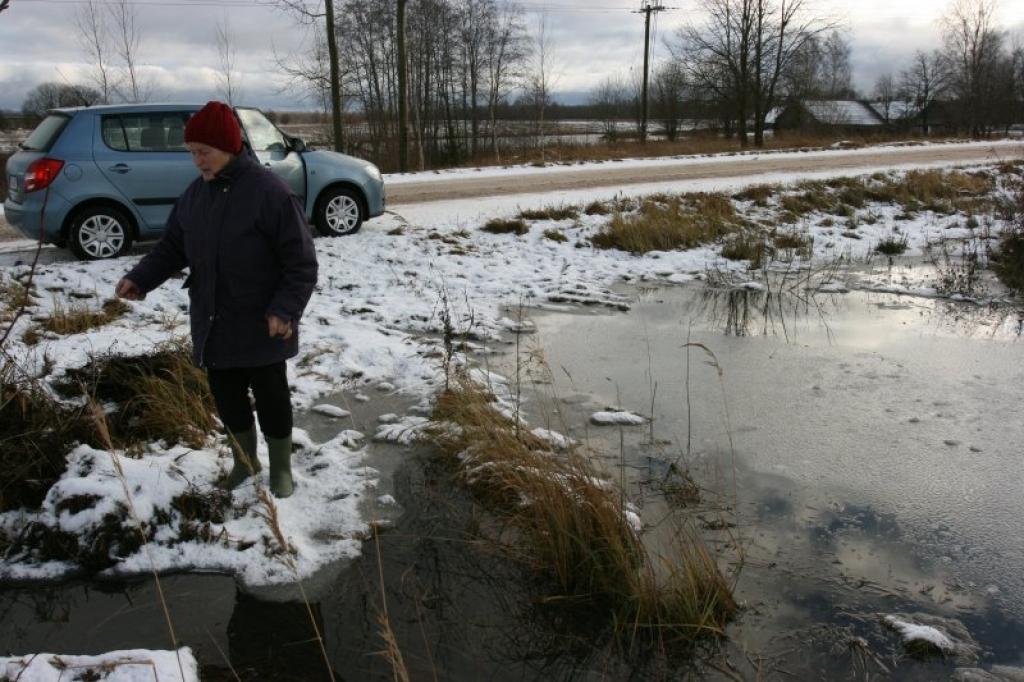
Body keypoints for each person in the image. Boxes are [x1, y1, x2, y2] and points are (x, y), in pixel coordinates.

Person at [115, 100, 318, 498]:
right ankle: (245, 463)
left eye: (204, 152)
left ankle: (281, 469)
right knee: (228, 399)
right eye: (192, 153)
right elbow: (172, 247)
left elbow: (301, 263)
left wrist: (284, 309)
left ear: (228, 146)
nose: (197, 161)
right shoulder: (195, 196)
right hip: (214, 321)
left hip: (263, 323)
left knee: (272, 398)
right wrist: (140, 278)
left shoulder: (271, 193)